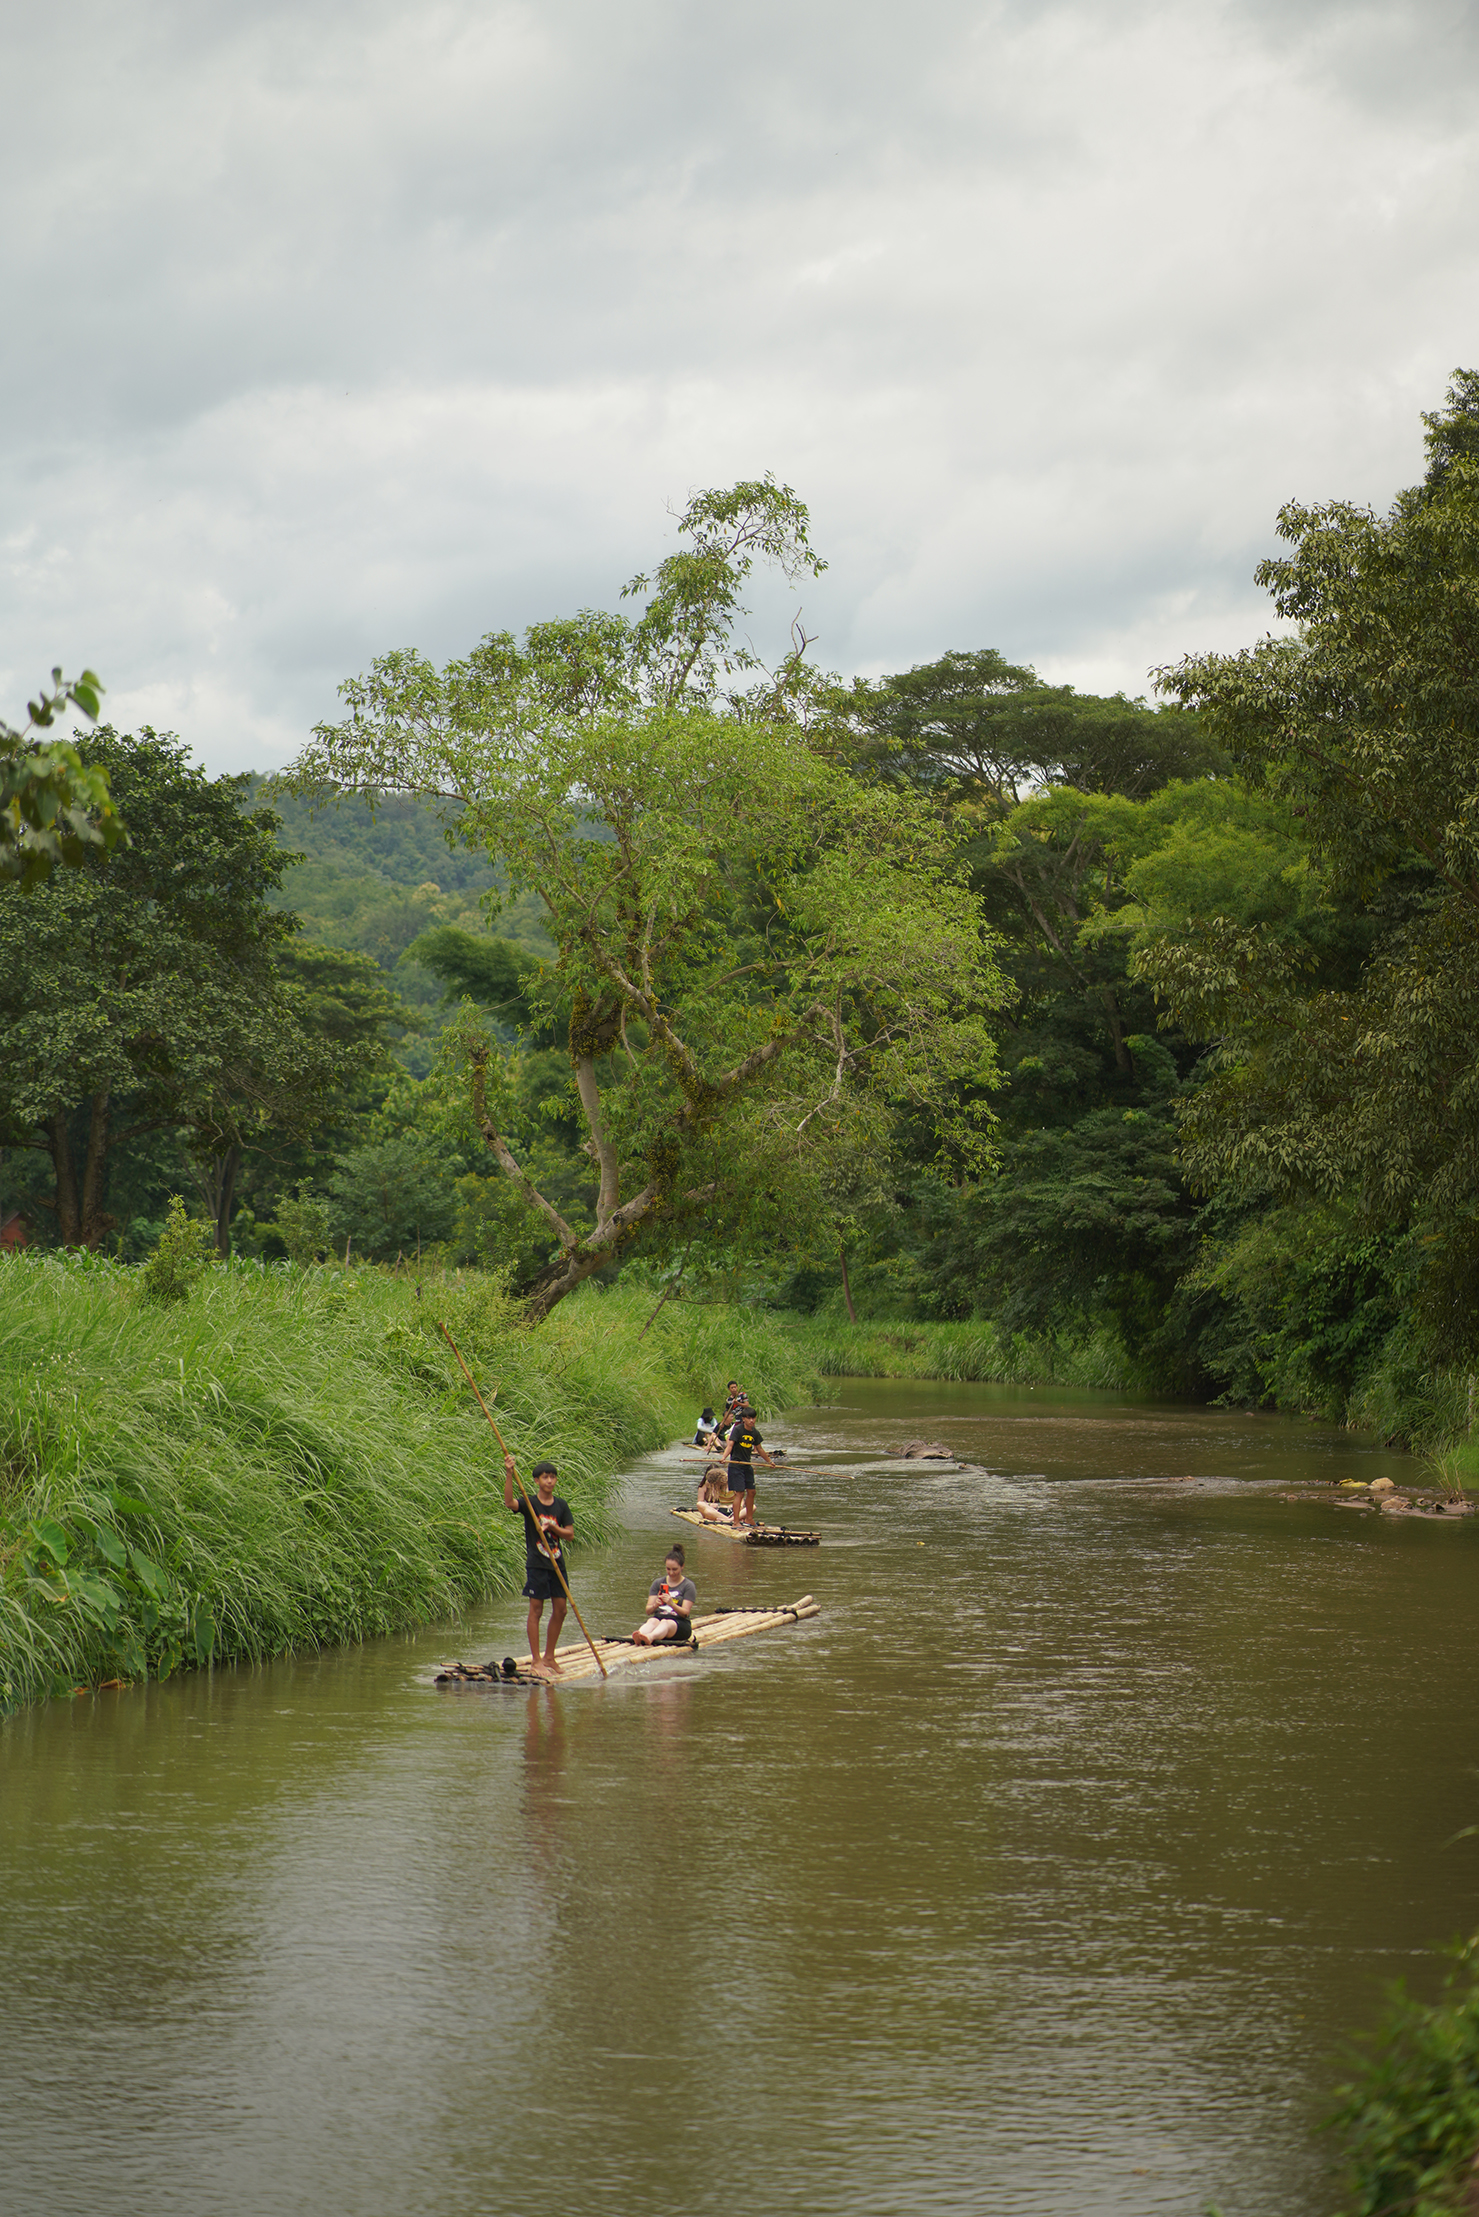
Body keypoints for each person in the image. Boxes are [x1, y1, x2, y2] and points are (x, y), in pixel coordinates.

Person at [503, 1454, 575, 1677]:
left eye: (553, 1477)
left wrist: (552, 1527)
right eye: (545, 1477)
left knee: (561, 1610)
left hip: (557, 1564)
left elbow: (570, 1534)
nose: (550, 1481)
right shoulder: (530, 1503)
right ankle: (536, 1661)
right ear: (537, 1481)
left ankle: (550, 1657)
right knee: (536, 1609)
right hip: (537, 1564)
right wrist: (508, 1474)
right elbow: (509, 1503)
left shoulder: (561, 1505)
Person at [719, 1401, 775, 1531]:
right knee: (739, 1493)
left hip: (747, 1465)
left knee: (752, 1491)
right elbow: (730, 1445)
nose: (751, 1421)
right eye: (748, 1418)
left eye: (753, 1418)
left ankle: (749, 1518)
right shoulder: (738, 1430)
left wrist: (769, 1461)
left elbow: (759, 1448)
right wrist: (723, 1458)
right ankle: (736, 1521)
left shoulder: (754, 1432)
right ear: (743, 1419)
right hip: (736, 1465)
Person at [631, 1545, 697, 1644]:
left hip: (679, 1623)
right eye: (668, 1569)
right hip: (659, 1619)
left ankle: (650, 1637)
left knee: (665, 1623)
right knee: (652, 1621)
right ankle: (640, 1635)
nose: (671, 1573)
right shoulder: (658, 1583)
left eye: (674, 1569)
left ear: (682, 1566)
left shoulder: (688, 1586)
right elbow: (648, 1611)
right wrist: (656, 1605)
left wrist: (671, 1604)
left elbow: (685, 1613)